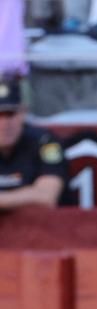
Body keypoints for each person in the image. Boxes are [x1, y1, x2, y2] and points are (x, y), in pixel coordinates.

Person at [0, 75, 65, 211]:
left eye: (11, 114)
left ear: (23, 113)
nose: (5, 124)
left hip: (48, 230)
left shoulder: (45, 142)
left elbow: (46, 196)